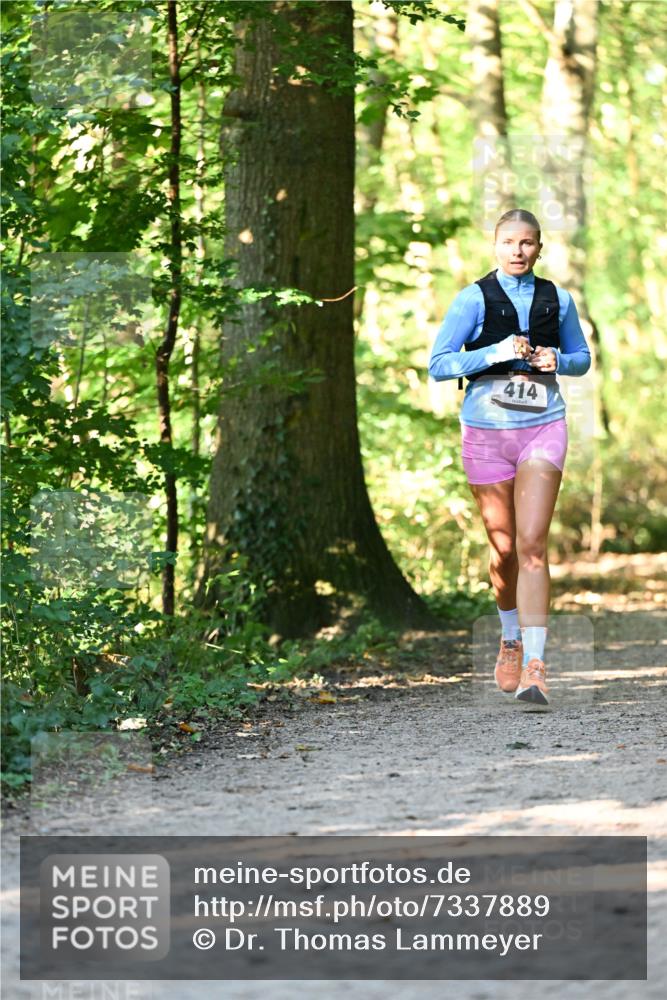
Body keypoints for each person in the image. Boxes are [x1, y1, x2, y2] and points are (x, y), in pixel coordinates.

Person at [428, 209, 591, 705]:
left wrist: (557, 360)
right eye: (509, 243)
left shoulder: (558, 299)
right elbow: (439, 364)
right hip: (486, 432)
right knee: (504, 553)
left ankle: (537, 668)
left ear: (540, 248)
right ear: (495, 246)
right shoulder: (471, 298)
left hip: (543, 426)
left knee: (533, 543)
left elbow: (581, 358)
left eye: (527, 243)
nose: (517, 251)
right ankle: (510, 639)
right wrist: (494, 352)